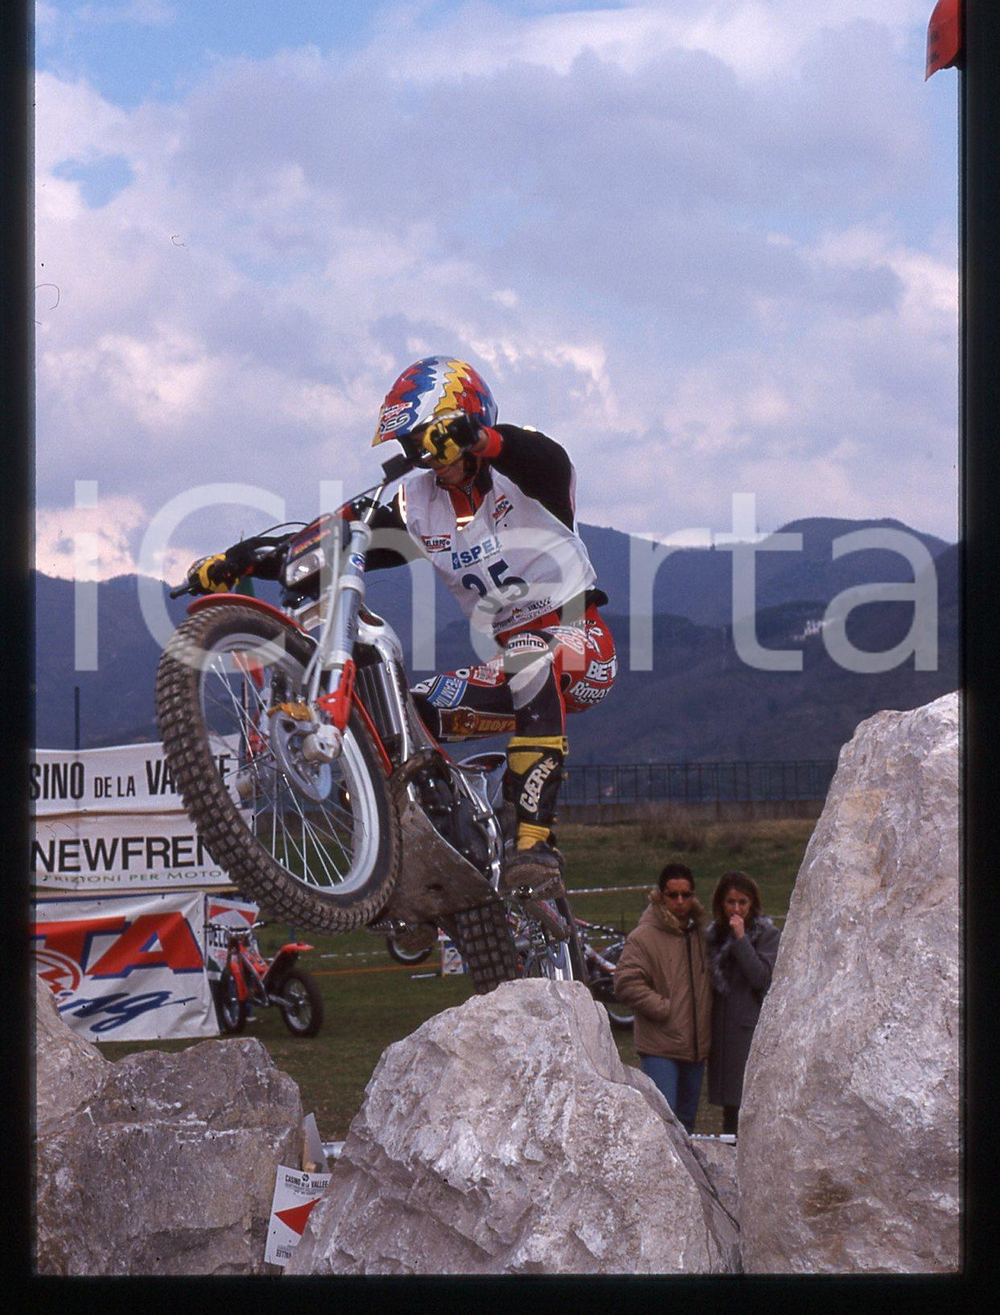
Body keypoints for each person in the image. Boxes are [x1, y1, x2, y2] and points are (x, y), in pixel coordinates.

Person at [190, 356, 617, 895]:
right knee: (402, 717)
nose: (425, 456)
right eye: (412, 445)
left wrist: (475, 438)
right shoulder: (419, 504)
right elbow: (333, 536)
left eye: (430, 438)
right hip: (508, 666)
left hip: (582, 646)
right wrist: (242, 561)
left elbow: (535, 454)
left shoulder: (529, 468)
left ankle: (534, 844)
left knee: (532, 652)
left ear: (467, 418)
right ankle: (432, 850)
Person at [612, 862, 712, 1134]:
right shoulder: (644, 936)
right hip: (660, 1047)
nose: (680, 901)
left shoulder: (701, 935)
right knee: (664, 1123)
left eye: (686, 894)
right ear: (660, 895)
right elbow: (625, 982)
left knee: (687, 1124)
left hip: (695, 1048)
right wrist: (662, 1008)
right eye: (673, 895)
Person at [704, 871, 780, 1137]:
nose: (736, 909)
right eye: (730, 902)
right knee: (729, 1110)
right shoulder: (712, 936)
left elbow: (761, 977)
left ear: (752, 904)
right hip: (721, 1034)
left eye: (742, 902)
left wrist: (741, 940)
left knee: (747, 1105)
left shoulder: (767, 935)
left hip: (748, 1031)